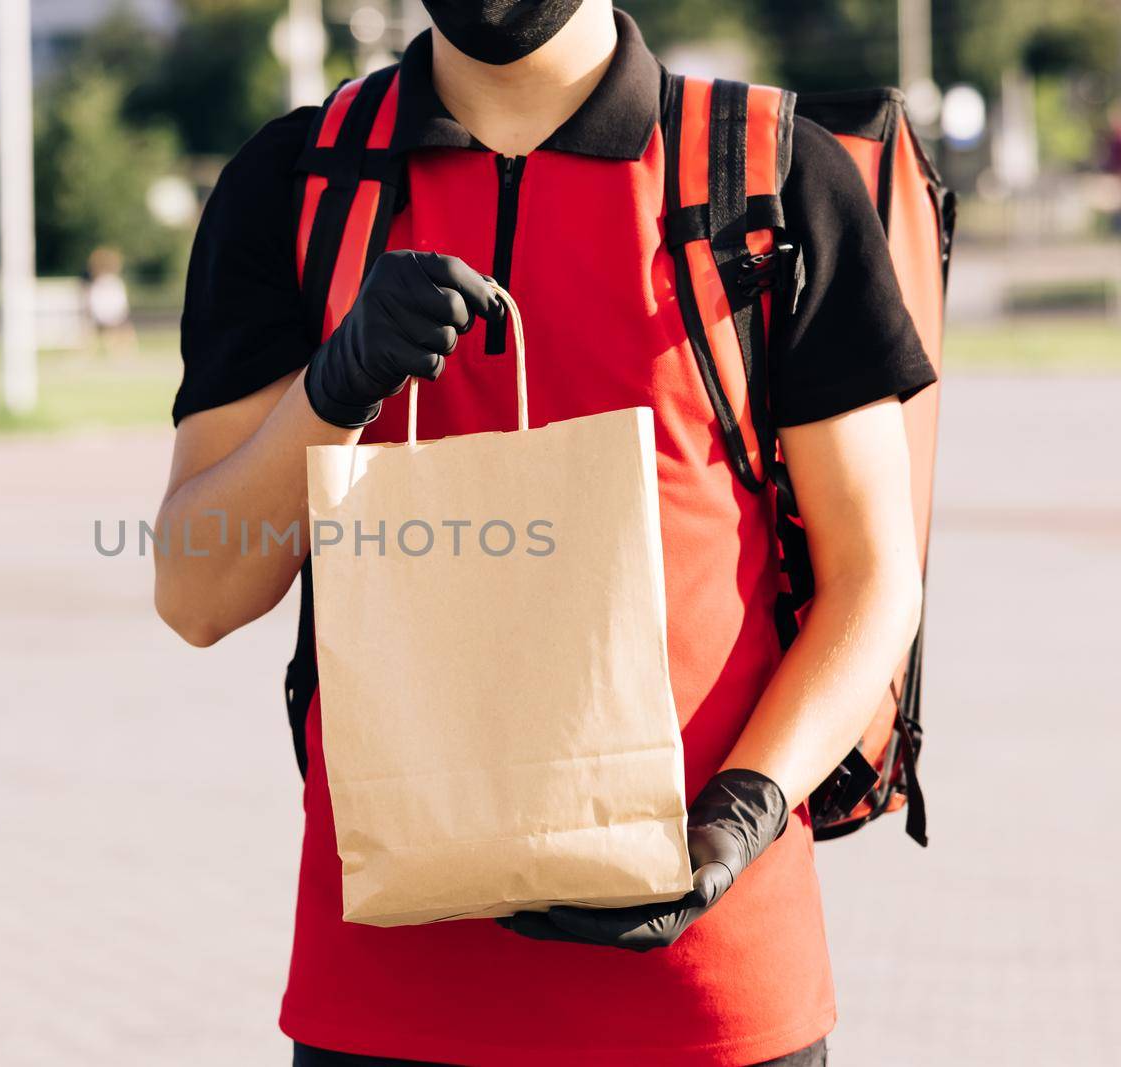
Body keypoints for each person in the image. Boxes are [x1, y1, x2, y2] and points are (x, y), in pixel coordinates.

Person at [154, 3, 936, 1064]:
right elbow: (196, 593)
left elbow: (874, 576)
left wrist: (739, 816)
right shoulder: (303, 182)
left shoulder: (765, 175)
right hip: (389, 998)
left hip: (715, 996)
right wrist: (331, 387)